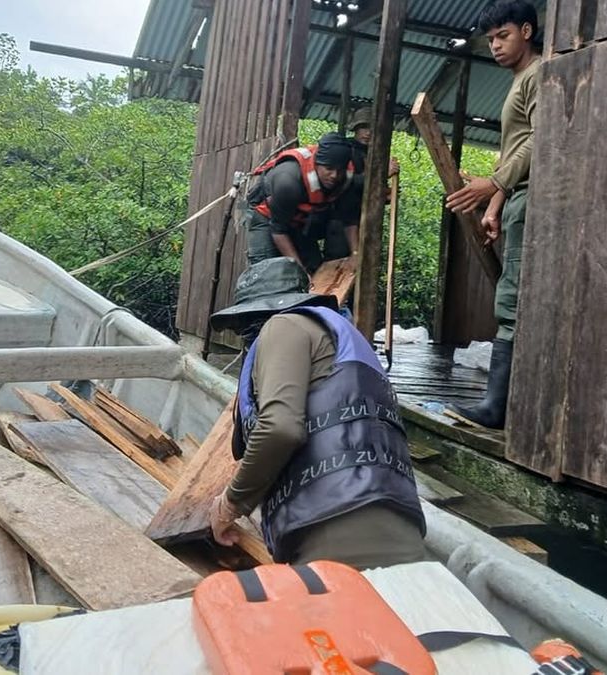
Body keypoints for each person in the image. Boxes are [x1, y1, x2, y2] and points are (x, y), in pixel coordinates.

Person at [207, 257, 427, 569]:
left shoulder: (283, 326)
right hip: (399, 520)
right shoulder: (342, 337)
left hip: (335, 529)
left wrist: (231, 504)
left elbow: (280, 427)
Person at [444, 0, 542, 429]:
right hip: (516, 198)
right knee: (512, 298)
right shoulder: (519, 80)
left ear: (526, 30)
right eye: (490, 40)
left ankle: (495, 410)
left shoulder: (538, 74)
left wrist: (496, 186)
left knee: (512, 302)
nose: (496, 46)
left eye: (503, 35)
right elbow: (515, 149)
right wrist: (496, 206)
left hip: (530, 196)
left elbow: (544, 138)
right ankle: (503, 405)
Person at [244, 132, 360, 274]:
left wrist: (355, 254)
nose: (334, 176)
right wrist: (299, 271)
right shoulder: (288, 182)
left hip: (299, 222)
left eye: (339, 170)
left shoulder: (345, 178)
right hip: (267, 218)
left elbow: (350, 218)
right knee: (266, 273)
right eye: (329, 169)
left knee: (315, 270)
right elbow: (278, 230)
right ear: (317, 164)